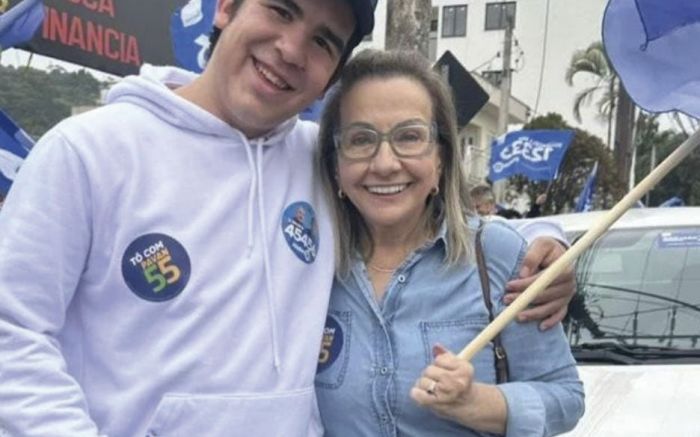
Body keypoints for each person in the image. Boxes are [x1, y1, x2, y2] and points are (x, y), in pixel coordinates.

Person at [0, 1, 570, 435]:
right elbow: (14, 332)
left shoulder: (320, 158)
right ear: (226, 7)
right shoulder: (86, 151)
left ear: (331, 73)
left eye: (322, 41)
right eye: (280, 10)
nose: (292, 49)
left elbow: (419, 202)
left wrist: (548, 242)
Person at [315, 50, 584, 436]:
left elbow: (566, 396)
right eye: (360, 140)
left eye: (409, 137)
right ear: (335, 163)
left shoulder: (495, 255)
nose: (385, 163)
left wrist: (479, 403)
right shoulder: (308, 265)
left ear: (440, 158)